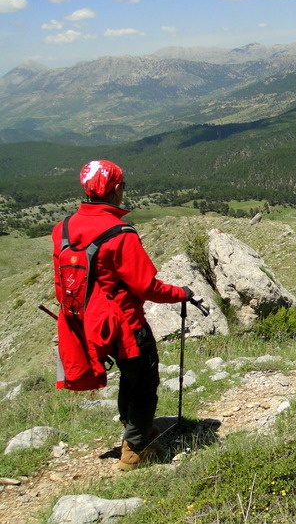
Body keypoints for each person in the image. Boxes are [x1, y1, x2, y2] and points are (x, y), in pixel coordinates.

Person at [52, 160, 193, 471]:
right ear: (116, 190)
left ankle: (135, 429)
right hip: (126, 326)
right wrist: (181, 293)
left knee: (129, 381)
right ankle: (136, 450)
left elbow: (61, 284)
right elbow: (147, 287)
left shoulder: (62, 229)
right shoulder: (120, 234)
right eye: (123, 186)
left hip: (87, 324)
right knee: (143, 382)